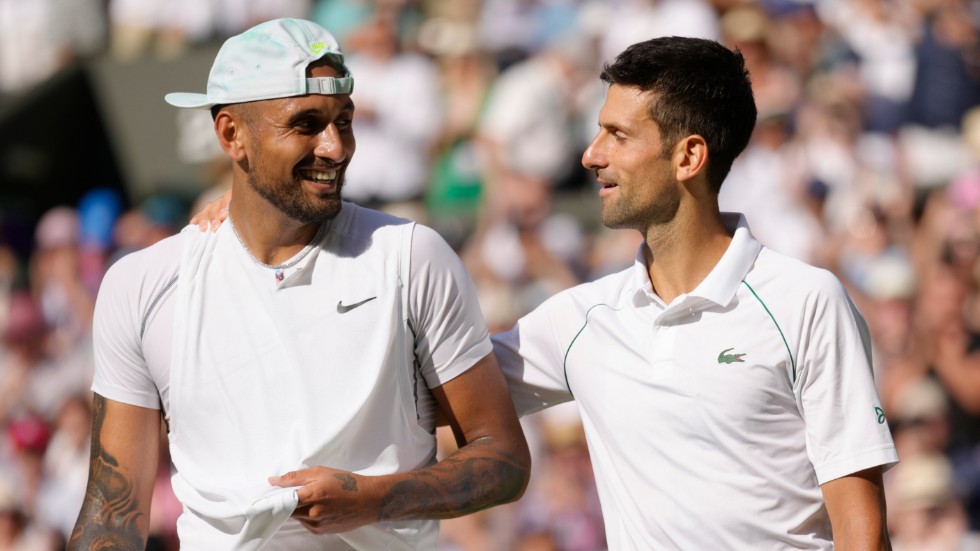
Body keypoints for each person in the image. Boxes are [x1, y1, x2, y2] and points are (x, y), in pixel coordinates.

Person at [194, 36, 899, 549]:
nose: (590, 155)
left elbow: (861, 530)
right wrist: (263, 214)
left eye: (617, 136)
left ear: (688, 156)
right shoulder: (582, 320)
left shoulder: (807, 301)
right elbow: (416, 383)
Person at [69, 18, 529, 551]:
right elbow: (111, 515)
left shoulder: (412, 257)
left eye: (345, 121)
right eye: (306, 124)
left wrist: (375, 498)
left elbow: (503, 459)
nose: (336, 147)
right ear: (230, 134)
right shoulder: (141, 284)